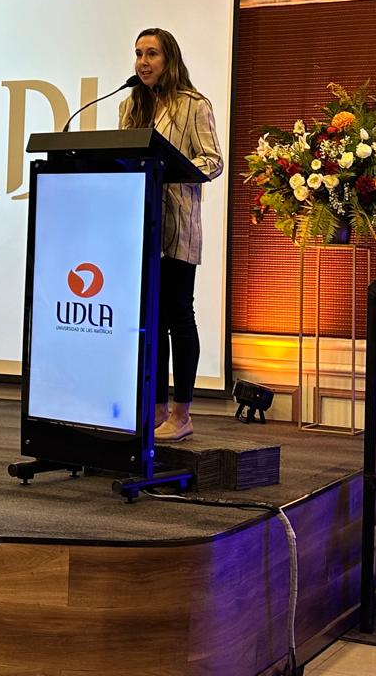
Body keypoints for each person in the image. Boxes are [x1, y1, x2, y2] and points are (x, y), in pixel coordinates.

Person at [118, 27, 223, 442]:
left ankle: (182, 413)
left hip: (178, 227)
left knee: (178, 315)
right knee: (151, 320)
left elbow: (213, 160)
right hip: (141, 226)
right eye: (138, 54)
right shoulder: (131, 105)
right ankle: (157, 408)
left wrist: (174, 168)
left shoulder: (194, 105)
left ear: (169, 59)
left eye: (152, 54)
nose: (143, 62)